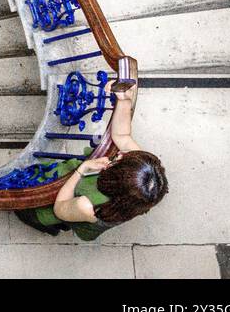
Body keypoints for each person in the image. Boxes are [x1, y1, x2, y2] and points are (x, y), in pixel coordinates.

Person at [15, 81, 168, 241]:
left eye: (120, 160)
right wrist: (124, 102)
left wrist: (82, 169)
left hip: (55, 205)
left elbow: (60, 208)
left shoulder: (87, 206)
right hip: (80, 195)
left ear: (117, 179)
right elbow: (122, 136)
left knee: (31, 211)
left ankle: (42, 222)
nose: (121, 153)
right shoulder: (137, 180)